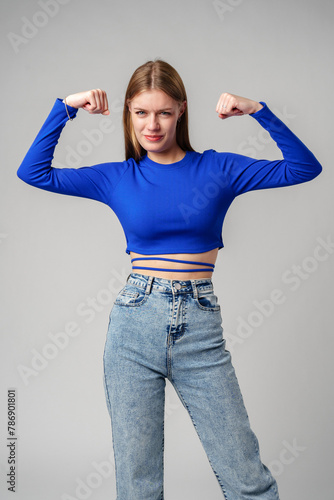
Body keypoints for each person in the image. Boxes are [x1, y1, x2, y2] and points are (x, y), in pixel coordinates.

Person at [17, 59, 322, 500]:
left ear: (181, 110)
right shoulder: (118, 177)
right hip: (133, 325)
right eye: (141, 113)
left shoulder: (218, 169)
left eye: (163, 112)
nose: (152, 125)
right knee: (138, 486)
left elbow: (303, 168)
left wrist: (258, 110)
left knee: (247, 480)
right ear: (128, 114)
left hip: (199, 325)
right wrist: (66, 108)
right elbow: (33, 172)